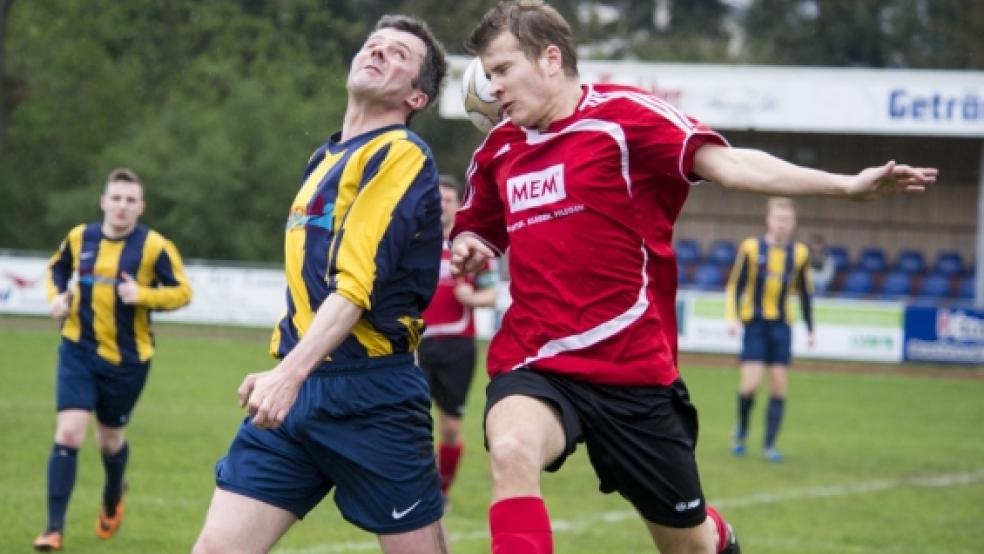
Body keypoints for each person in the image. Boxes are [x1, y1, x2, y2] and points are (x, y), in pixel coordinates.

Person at [449, 2, 936, 553]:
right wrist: (468, 244)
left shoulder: (626, 118)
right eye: (488, 75)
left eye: (502, 70)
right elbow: (478, 229)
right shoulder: (498, 150)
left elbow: (732, 166)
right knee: (511, 451)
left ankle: (716, 535)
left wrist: (844, 186)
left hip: (631, 372)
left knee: (691, 546)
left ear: (551, 59)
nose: (493, 89)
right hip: (535, 360)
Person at [191, 15, 450, 554]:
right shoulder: (324, 159)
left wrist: (288, 374)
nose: (378, 51)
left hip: (370, 395)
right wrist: (287, 368)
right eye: (373, 44)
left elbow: (356, 283)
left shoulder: (400, 153)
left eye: (399, 54)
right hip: (296, 393)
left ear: (417, 98)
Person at [34, 168, 193, 551]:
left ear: (141, 207)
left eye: (130, 200)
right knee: (70, 432)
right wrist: (56, 299)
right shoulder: (79, 237)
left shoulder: (154, 247)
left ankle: (112, 495)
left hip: (127, 362)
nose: (122, 206)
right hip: (77, 349)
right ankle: (53, 529)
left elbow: (183, 292)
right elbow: (55, 270)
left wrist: (144, 295)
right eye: (116, 198)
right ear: (104, 201)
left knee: (109, 441)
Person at [419, 175, 498, 501]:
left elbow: (492, 295)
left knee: (450, 427)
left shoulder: (471, 247)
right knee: (412, 425)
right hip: (416, 345)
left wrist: (470, 298)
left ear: (457, 204)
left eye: (448, 200)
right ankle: (412, 491)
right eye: (437, 199)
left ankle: (442, 492)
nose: (442, 205)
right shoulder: (415, 242)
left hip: (457, 347)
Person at [725, 197, 815, 463]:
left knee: (778, 386)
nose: (782, 224)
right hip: (755, 324)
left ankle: (769, 445)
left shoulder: (799, 254)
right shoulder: (751, 248)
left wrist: (811, 328)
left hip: (782, 326)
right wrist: (732, 317)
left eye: (787, 220)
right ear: (768, 220)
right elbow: (735, 286)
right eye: (778, 219)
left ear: (793, 223)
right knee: (751, 385)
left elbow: (806, 294)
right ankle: (741, 431)